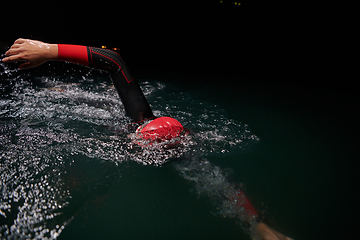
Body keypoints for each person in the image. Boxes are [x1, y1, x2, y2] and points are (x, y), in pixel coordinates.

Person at [1, 38, 293, 240]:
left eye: (142, 146)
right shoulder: (141, 118)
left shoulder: (176, 153)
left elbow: (218, 184)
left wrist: (257, 224)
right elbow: (114, 59)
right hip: (114, 108)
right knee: (94, 101)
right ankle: (64, 90)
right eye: (139, 141)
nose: (136, 147)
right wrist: (49, 50)